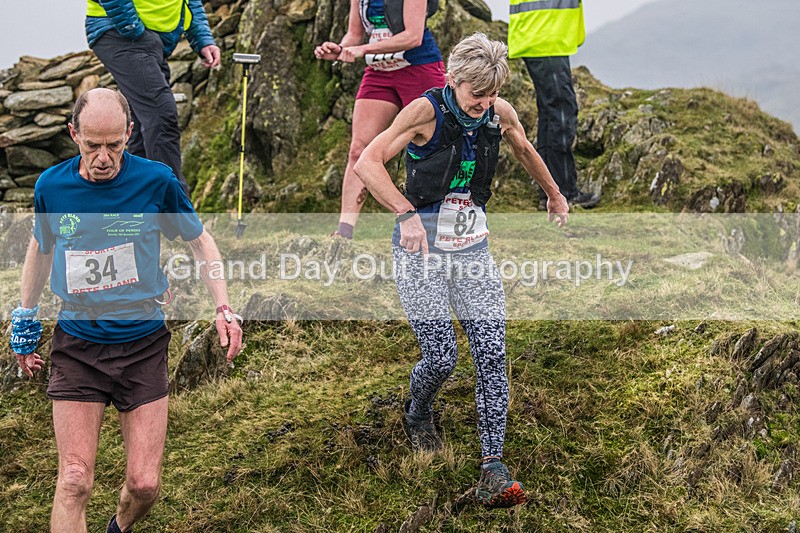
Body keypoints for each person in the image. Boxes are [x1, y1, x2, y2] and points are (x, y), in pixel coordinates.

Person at [9, 88, 243, 533]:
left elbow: (200, 239)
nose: (103, 157)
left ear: (129, 134)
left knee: (144, 485)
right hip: (78, 343)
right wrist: (25, 315)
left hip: (142, 344)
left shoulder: (155, 181)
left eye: (114, 145)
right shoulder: (52, 187)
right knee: (74, 480)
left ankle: (118, 528)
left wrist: (223, 305)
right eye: (92, 145)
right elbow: (41, 247)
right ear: (73, 133)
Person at [354, 33, 569, 509]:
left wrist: (554, 193)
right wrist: (405, 214)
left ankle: (493, 465)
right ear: (452, 80)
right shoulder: (424, 112)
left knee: (492, 350)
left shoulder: (498, 110)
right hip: (421, 252)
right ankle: (418, 409)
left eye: (491, 96)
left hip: (472, 250)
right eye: (476, 97)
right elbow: (368, 162)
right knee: (442, 354)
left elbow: (524, 149)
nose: (484, 105)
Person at [314, 0, 446, 239]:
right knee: (358, 149)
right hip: (379, 72)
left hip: (418, 66)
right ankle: (344, 232)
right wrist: (340, 49)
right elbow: (354, 34)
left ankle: (442, 221)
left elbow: (412, 37)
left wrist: (363, 50)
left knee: (435, 146)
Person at [85, 0, 221, 195]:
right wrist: (134, 29)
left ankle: (134, 204)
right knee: (161, 114)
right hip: (121, 33)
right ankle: (172, 205)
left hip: (149, 41)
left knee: (140, 128)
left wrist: (202, 38)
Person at [508, 0, 599, 209]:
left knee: (551, 116)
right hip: (545, 37)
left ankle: (549, 191)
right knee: (561, 114)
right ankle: (563, 190)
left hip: (542, 35)